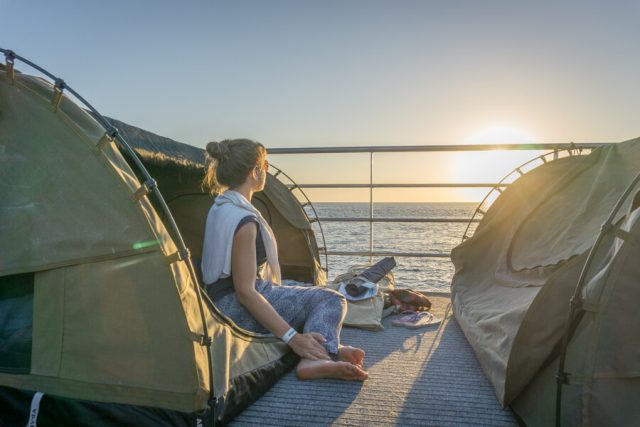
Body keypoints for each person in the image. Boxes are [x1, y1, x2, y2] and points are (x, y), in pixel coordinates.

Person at [201, 139, 368, 381]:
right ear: (254, 171)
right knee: (332, 299)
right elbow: (245, 292)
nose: (266, 170)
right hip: (233, 310)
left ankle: (330, 348)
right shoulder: (244, 221)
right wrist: (292, 337)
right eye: (264, 165)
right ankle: (315, 359)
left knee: (307, 291)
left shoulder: (221, 206)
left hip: (218, 301)